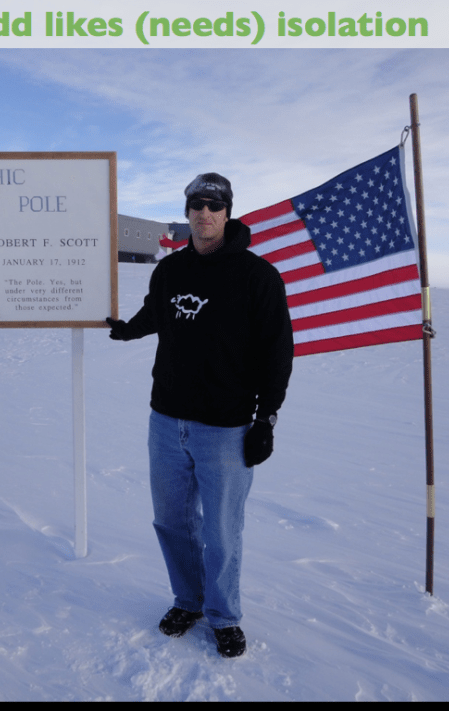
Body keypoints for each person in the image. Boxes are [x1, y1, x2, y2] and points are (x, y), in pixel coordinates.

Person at [106, 172, 294, 658]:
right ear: (187, 211)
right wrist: (128, 330)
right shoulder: (170, 270)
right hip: (166, 421)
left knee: (221, 531)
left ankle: (224, 615)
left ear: (227, 212)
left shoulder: (257, 275)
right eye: (197, 205)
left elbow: (277, 352)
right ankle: (187, 601)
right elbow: (157, 312)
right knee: (172, 522)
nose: (204, 213)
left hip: (226, 429)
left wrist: (266, 420)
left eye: (214, 205)